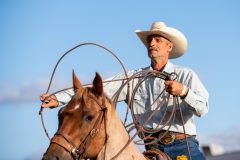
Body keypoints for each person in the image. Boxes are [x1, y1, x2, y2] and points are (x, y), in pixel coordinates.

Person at [40, 22, 209, 160]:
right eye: (150, 41)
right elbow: (95, 91)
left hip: (183, 147)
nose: (151, 44)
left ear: (169, 46)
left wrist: (183, 91)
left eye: (157, 40)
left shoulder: (186, 75)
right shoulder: (133, 78)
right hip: (150, 148)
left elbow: (203, 108)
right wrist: (57, 98)